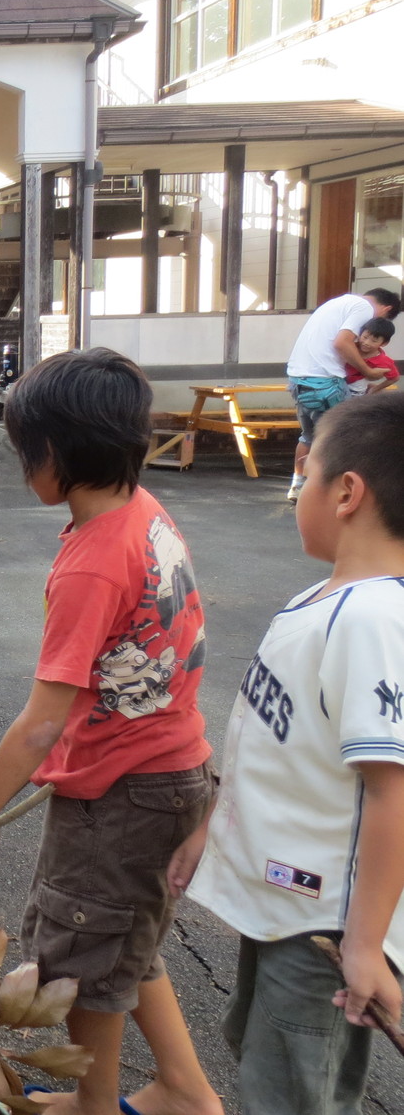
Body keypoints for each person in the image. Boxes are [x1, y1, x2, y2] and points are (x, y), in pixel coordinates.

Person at [0, 348, 221, 1115]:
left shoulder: (91, 566)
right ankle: (183, 1090)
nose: (21, 468)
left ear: (60, 456)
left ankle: (94, 1106)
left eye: (24, 453)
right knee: (123, 944)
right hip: (175, 772)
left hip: (122, 798)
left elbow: (42, 723)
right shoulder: (143, 511)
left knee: (81, 960)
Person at [173, 391, 404, 1115]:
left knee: (295, 1089)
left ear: (346, 492)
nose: (294, 488)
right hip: (286, 907)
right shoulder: (324, 600)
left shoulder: (371, 619)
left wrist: (365, 946)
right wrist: (213, 826)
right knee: (264, 1053)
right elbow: (271, 744)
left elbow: (392, 790)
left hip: (324, 931)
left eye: (303, 472)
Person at [284, 288, 401, 503]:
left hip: (299, 379)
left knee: (309, 436)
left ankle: (298, 484)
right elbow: (342, 342)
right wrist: (368, 372)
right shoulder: (363, 307)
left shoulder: (337, 302)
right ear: (386, 309)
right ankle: (325, 491)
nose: (368, 330)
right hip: (326, 382)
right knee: (342, 437)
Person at [343, 317, 397, 397]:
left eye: (374, 341)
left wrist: (375, 389)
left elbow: (394, 378)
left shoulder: (383, 360)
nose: (366, 343)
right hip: (338, 386)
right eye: (365, 337)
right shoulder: (351, 347)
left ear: (384, 343)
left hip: (356, 393)